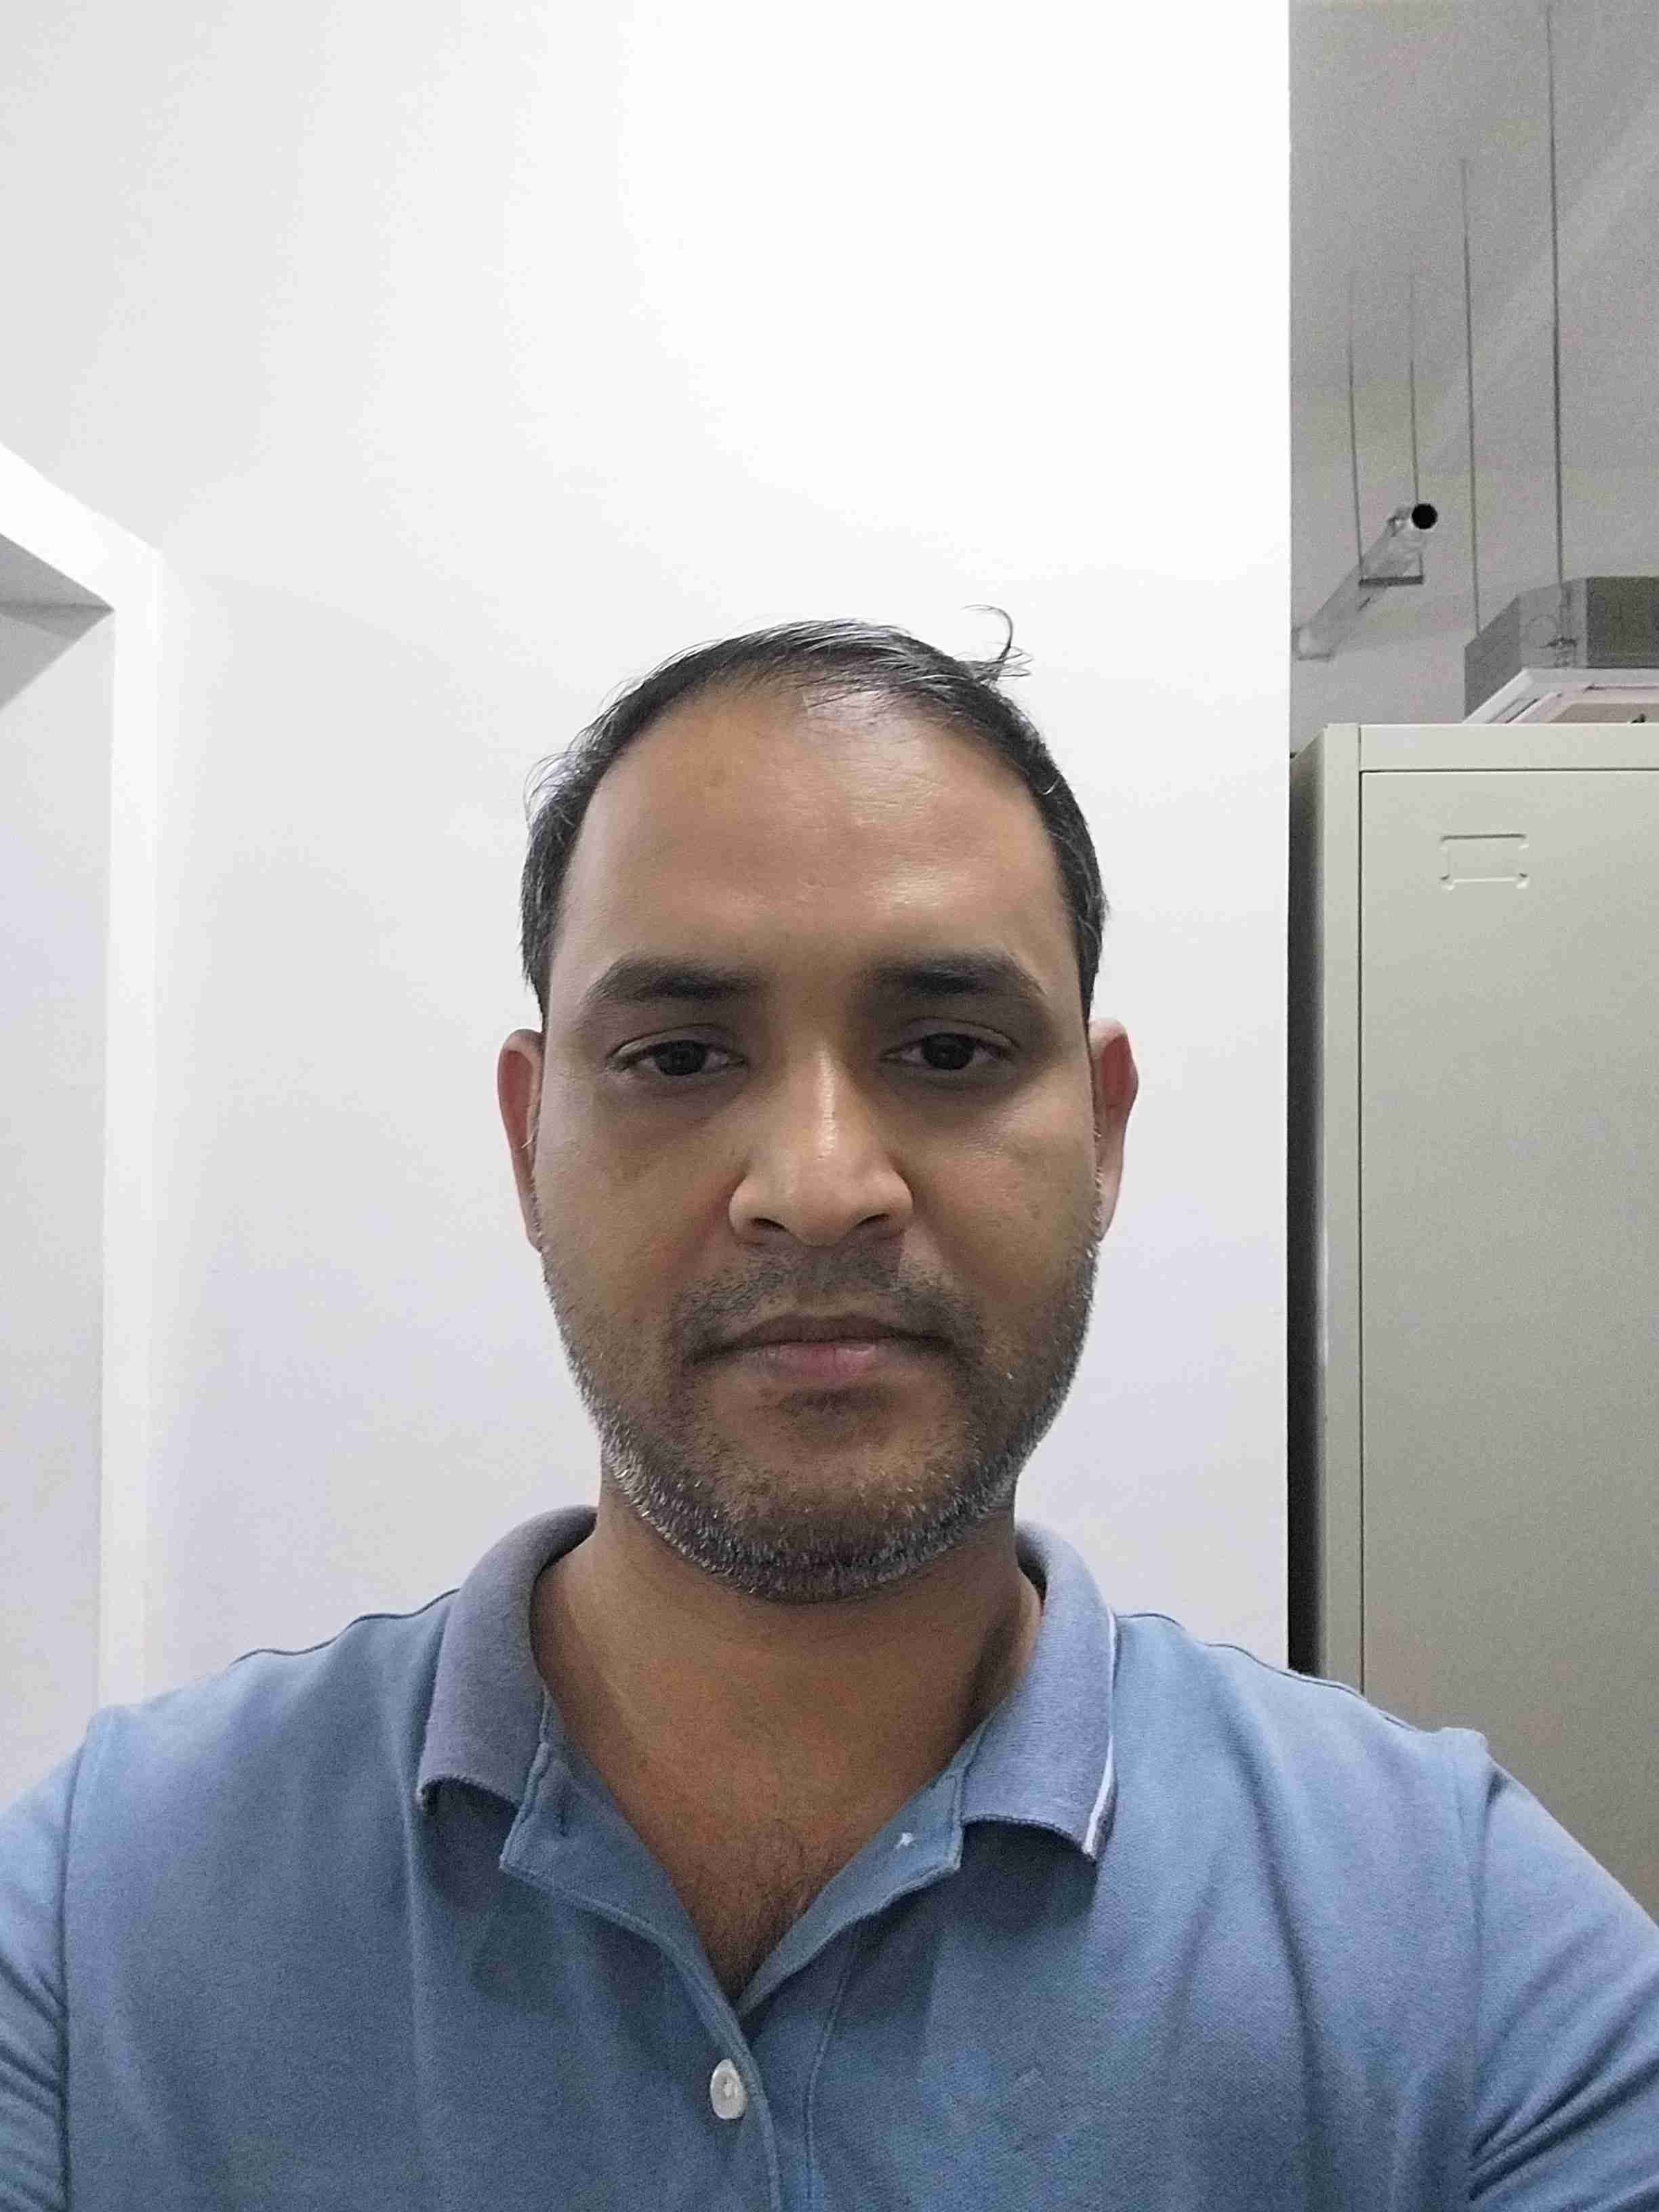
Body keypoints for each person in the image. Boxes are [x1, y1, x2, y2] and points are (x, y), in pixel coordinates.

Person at [3, 617, 1657, 2208]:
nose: (818, 1185)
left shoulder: (1464, 1949)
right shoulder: (99, 1917)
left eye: (947, 1049)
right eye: (676, 1058)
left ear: (1103, 1131)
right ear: (528, 1141)